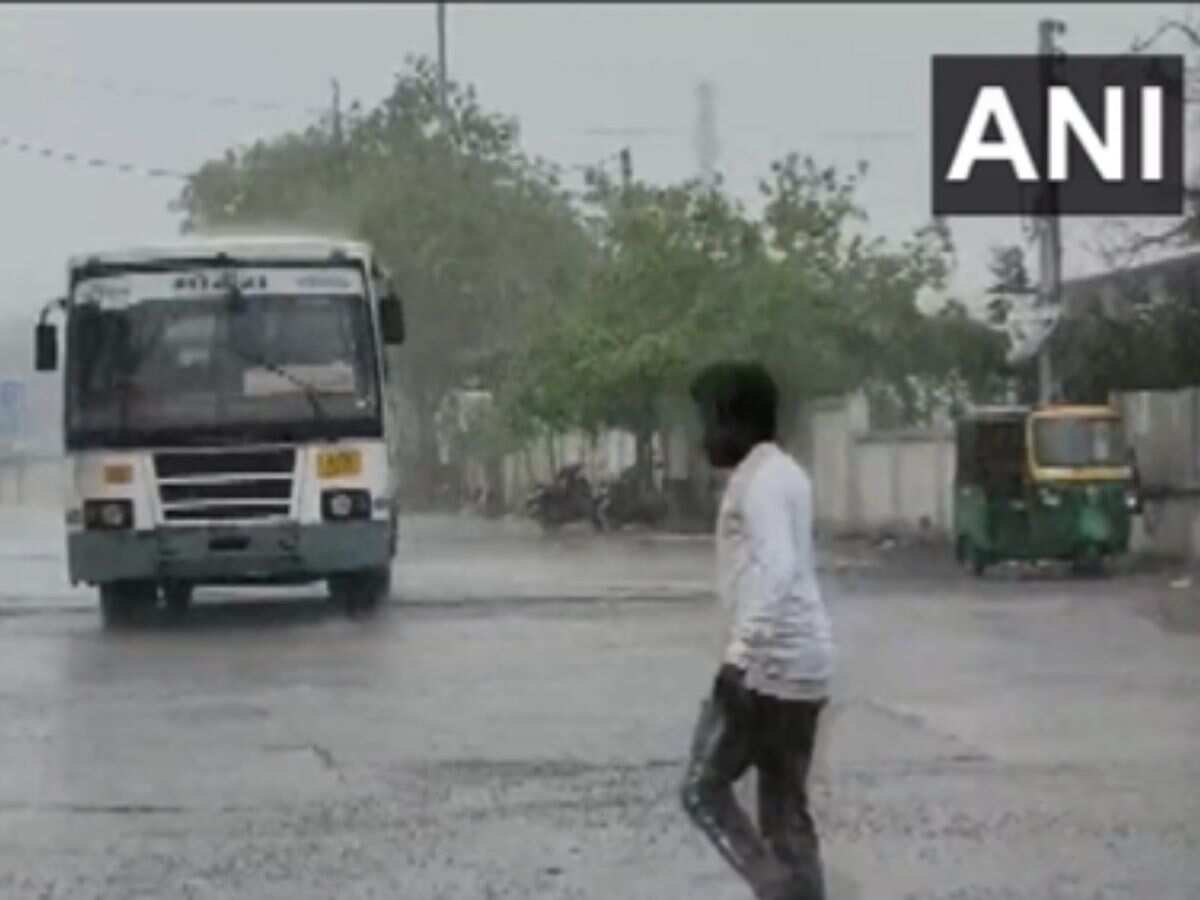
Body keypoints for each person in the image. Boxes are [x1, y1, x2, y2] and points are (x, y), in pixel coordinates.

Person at [680, 361, 834, 900]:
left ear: (737, 421)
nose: (704, 437)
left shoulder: (762, 483)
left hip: (768, 669)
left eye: (709, 422)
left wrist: (738, 660)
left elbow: (782, 567)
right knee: (785, 811)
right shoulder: (784, 471)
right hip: (806, 666)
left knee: (702, 789)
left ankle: (777, 892)